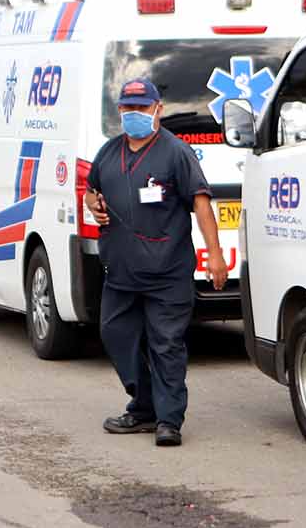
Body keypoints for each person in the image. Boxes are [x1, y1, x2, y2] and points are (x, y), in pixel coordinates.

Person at [83, 77, 229, 447]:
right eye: (128, 108)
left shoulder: (175, 152)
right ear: (120, 111)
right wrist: (93, 206)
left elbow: (200, 202)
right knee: (116, 335)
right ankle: (144, 406)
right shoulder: (108, 153)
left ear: (158, 110)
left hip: (167, 273)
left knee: (166, 344)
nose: (134, 115)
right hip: (120, 272)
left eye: (142, 108)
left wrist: (214, 255)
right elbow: (91, 191)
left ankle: (168, 420)